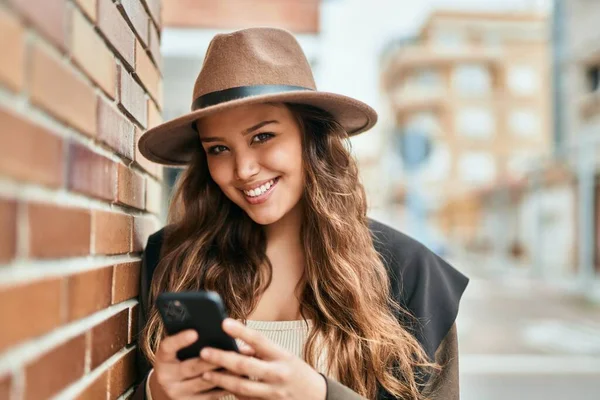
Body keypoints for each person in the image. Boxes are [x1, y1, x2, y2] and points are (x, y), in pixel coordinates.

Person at [132, 27, 469, 400]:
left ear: (310, 137)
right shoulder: (172, 258)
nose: (243, 169)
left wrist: (321, 395)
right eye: (218, 149)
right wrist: (155, 392)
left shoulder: (411, 273)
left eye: (263, 137)